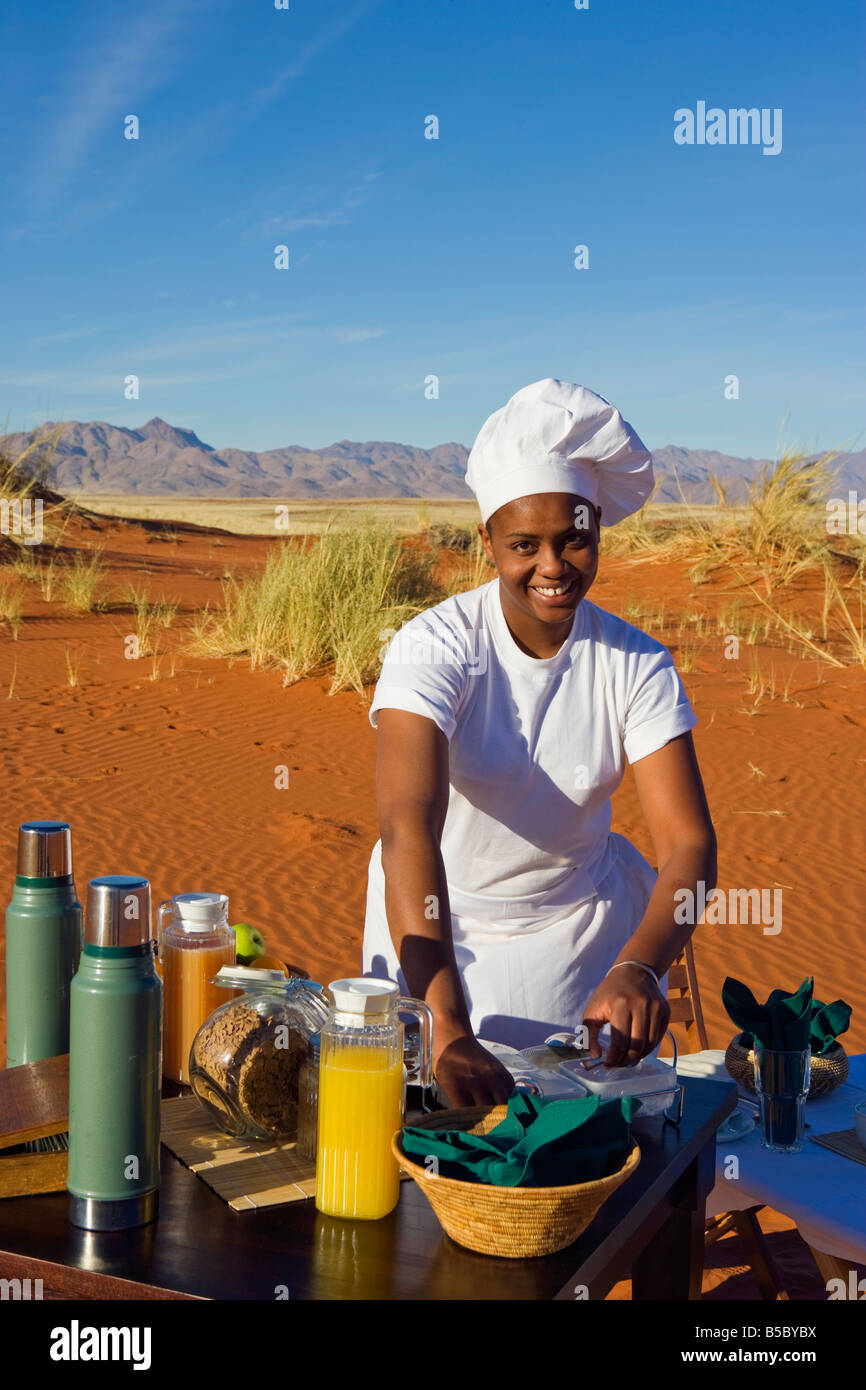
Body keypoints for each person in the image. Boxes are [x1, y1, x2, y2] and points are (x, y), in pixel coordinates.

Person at [361, 379, 717, 1107]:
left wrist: (641, 969)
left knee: (584, 1160)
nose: (553, 565)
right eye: (525, 544)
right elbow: (407, 828)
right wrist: (444, 1023)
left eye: (573, 538)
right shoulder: (433, 648)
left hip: (581, 937)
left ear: (597, 533)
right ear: (488, 541)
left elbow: (689, 847)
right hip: (434, 932)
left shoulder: (636, 662)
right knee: (437, 1146)